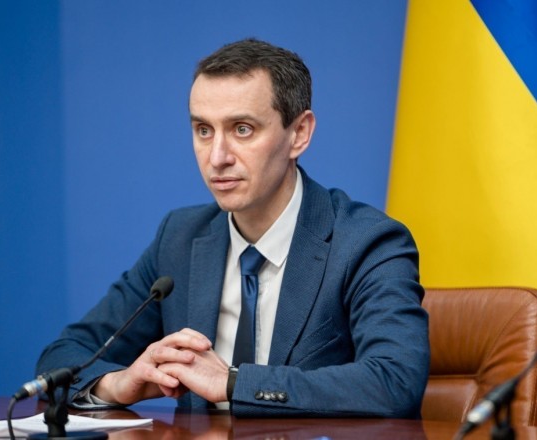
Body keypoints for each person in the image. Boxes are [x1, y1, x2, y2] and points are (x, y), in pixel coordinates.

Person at [36, 38, 430, 418]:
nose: (217, 157)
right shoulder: (180, 237)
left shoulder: (367, 242)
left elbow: (395, 382)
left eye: (242, 129)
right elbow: (62, 358)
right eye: (203, 130)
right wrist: (116, 384)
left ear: (299, 134)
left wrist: (233, 383)